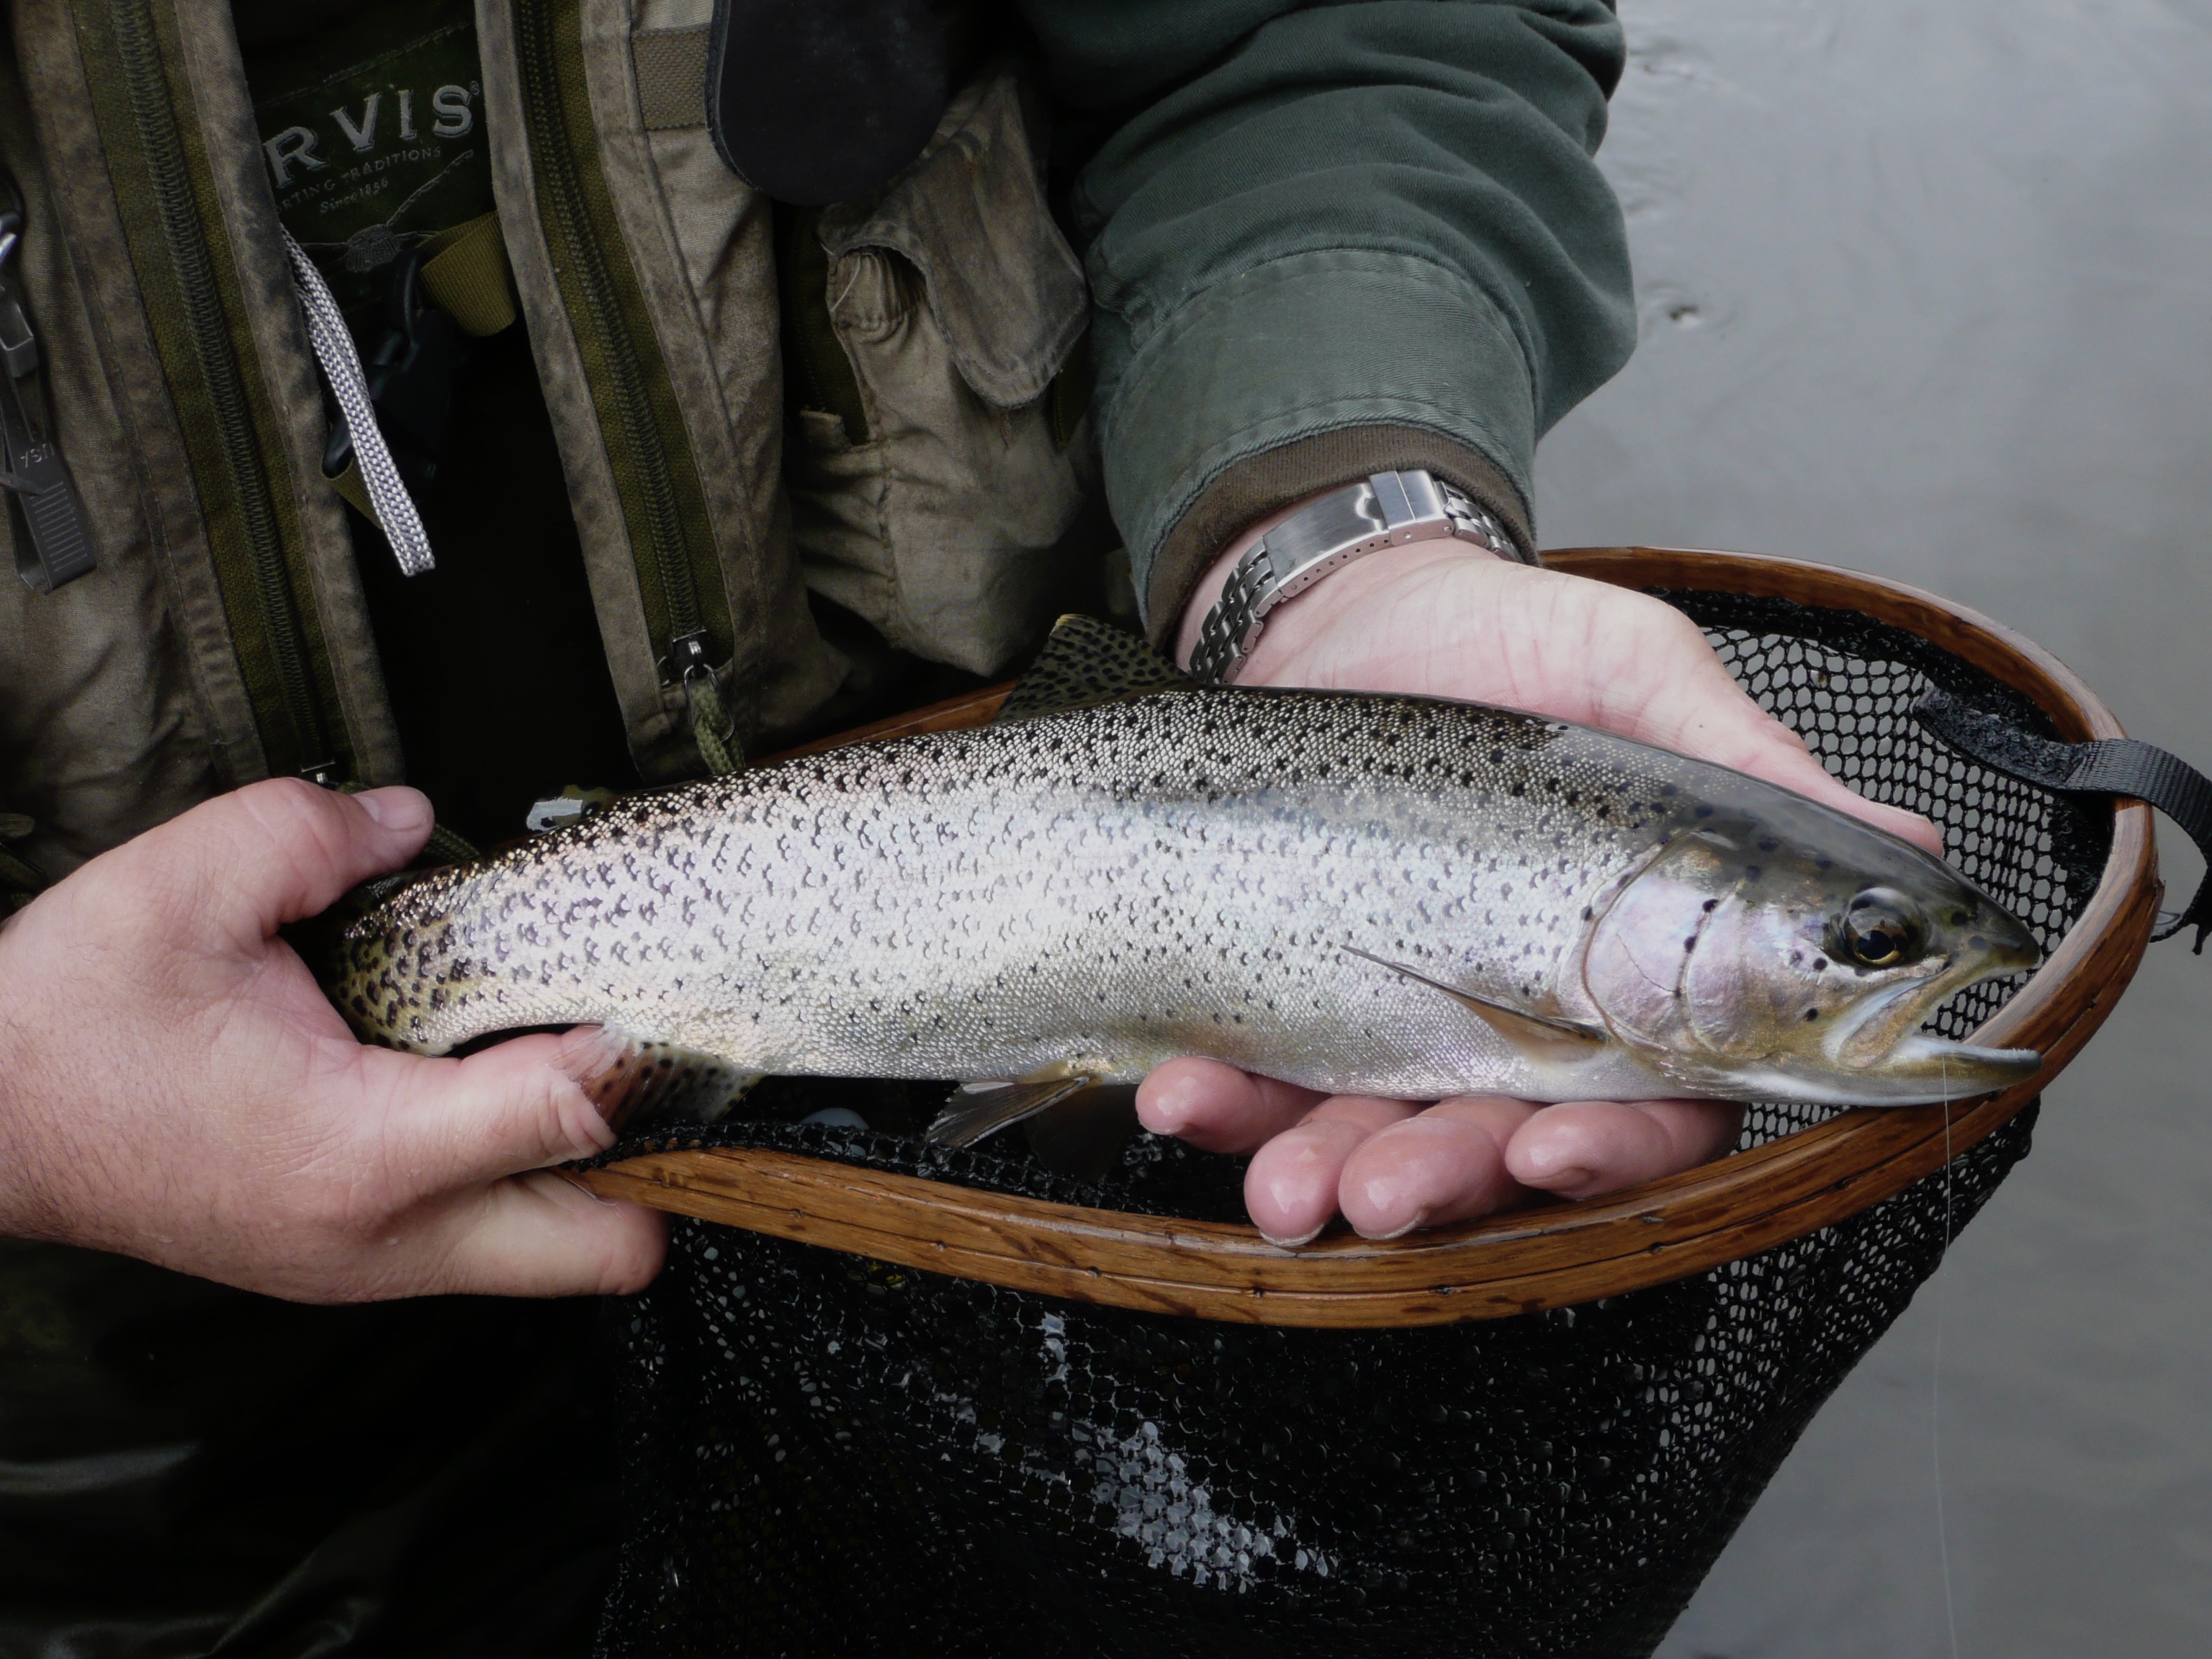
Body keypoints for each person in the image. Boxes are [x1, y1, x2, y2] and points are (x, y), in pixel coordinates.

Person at [0, 0, 1936, 1648]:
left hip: (1016, 1266)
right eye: (1866, 946)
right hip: (106, 1438)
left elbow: (1326, 31)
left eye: (1864, 953)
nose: (1884, 970)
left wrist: (1339, 537)